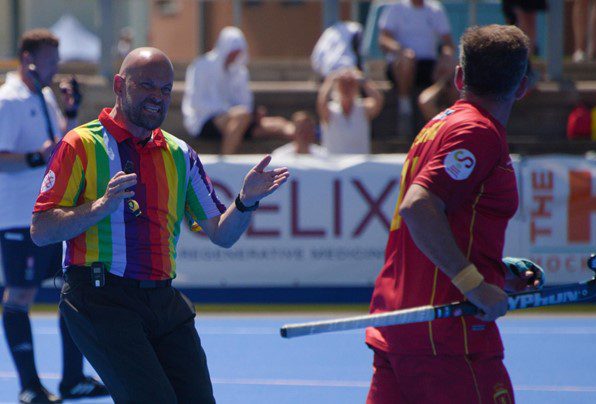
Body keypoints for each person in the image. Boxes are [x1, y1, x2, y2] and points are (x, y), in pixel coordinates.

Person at [30, 47, 289, 403]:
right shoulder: (81, 145)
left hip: (163, 300)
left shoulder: (180, 154)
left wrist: (245, 201)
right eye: (146, 86)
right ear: (120, 86)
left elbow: (221, 234)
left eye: (165, 89)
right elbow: (41, 230)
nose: (157, 97)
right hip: (100, 299)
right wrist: (101, 206)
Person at [365, 25, 545, 403]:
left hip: (402, 325)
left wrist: (494, 271)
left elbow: (450, 220)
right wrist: (474, 284)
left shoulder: (437, 126)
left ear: (460, 76)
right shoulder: (477, 132)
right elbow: (418, 207)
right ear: (522, 87)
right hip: (447, 334)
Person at [0, 29, 108, 403]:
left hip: (51, 212)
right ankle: (30, 386)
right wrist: (33, 156)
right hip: (18, 215)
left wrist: (72, 112)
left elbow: (57, 146)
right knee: (20, 294)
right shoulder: (7, 100)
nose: (56, 67)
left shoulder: (43, 95)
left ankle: (72, 380)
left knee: (72, 289)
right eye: (50, 60)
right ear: (29, 59)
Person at [182, 26, 294, 154]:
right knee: (240, 117)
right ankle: (227, 161)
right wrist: (229, 111)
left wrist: (253, 114)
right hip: (204, 121)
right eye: (232, 52)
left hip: (239, 120)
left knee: (279, 124)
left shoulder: (240, 71)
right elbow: (197, 103)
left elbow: (245, 102)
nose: (234, 56)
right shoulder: (201, 66)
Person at [378, 0, 455, 136]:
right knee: (406, 61)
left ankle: (451, 120)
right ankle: (405, 109)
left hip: (428, 66)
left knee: (451, 65)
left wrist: (446, 56)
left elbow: (448, 42)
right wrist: (401, 50)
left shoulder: (435, 9)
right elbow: (384, 39)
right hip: (402, 64)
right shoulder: (396, 8)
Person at [317, 68, 383, 154]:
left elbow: (378, 100)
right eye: (343, 84)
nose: (347, 88)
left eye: (350, 84)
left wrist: (363, 80)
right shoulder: (330, 110)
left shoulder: (363, 109)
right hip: (335, 165)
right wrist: (331, 80)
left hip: (360, 164)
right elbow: (321, 102)